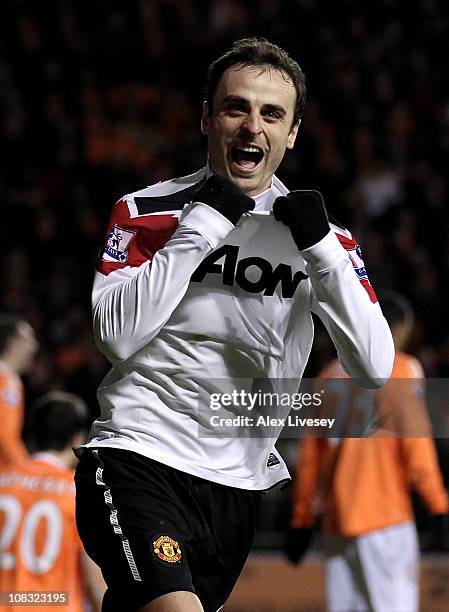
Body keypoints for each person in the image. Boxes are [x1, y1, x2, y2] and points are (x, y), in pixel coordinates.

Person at [75, 37, 394, 612]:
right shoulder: (147, 211)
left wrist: (321, 248)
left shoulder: (323, 240)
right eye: (235, 108)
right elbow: (116, 337)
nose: (253, 126)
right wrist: (203, 224)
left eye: (272, 113)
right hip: (139, 453)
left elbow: (373, 368)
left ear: (292, 132)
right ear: (207, 118)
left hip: (237, 482)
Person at [288, 292, 449, 612]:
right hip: (384, 517)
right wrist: (437, 504)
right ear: (398, 329)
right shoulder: (401, 368)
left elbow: (310, 457)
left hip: (336, 522)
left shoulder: (328, 377)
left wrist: (302, 519)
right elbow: (416, 445)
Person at [0, 391, 105, 611]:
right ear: (76, 439)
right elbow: (94, 581)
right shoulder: (79, 493)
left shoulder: (3, 481)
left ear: (30, 435)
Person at [0, 314, 38, 466]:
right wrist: (26, 469)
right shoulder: (7, 384)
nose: (35, 346)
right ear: (13, 343)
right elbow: (6, 437)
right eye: (29, 339)